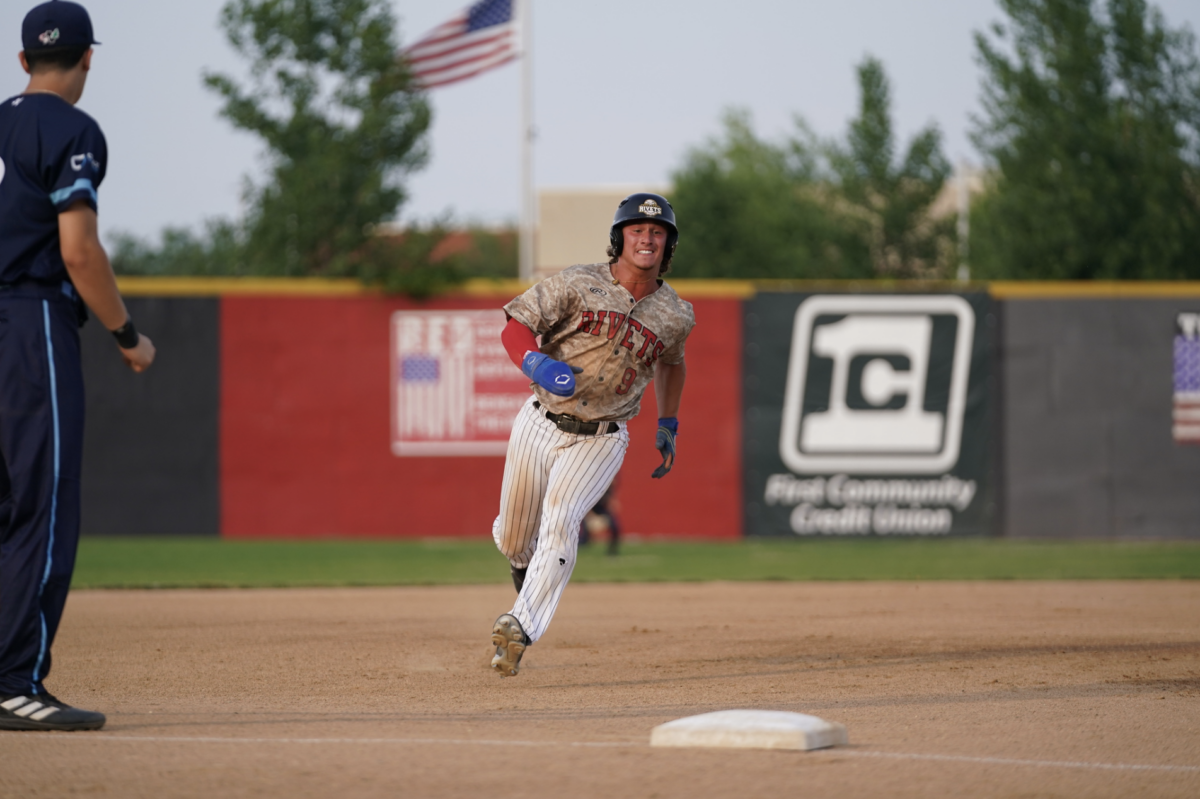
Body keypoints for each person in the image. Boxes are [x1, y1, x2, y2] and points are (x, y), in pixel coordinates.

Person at [0, 1, 155, 731]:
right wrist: (126, 334)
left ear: (23, 59)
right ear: (88, 59)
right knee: (42, 505)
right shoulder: (72, 130)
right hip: (29, 323)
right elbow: (79, 250)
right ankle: (12, 681)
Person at [489, 193, 694, 677]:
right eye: (637, 230)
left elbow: (673, 364)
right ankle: (525, 569)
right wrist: (535, 360)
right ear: (619, 238)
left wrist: (668, 422)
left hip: (602, 436)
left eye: (657, 232)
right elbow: (516, 325)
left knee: (562, 520)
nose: (647, 238)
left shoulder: (675, 314)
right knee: (515, 538)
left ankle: (521, 626)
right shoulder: (579, 282)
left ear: (668, 245)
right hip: (540, 419)